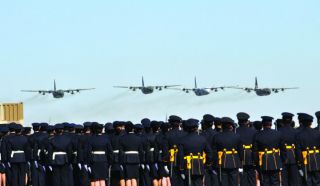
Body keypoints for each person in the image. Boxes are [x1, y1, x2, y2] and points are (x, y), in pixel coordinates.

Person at [177, 118, 213, 186]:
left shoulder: (182, 140)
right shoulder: (202, 139)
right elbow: (209, 153)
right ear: (196, 127)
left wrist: (181, 169)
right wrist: (206, 164)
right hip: (199, 165)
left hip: (187, 166)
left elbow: (180, 156)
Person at [253, 116, 285, 186]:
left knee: (264, 182)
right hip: (275, 161)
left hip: (263, 161)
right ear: (271, 124)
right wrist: (282, 161)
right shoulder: (278, 134)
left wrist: (256, 163)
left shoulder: (257, 135)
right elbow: (283, 149)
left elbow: (255, 151)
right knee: (275, 182)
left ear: (262, 124)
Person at [212, 117, 242, 186]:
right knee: (234, 183)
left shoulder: (217, 136)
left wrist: (215, 165)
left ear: (222, 125)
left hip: (222, 162)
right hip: (234, 162)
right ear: (230, 126)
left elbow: (214, 152)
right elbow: (240, 151)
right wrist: (240, 163)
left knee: (223, 183)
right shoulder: (237, 136)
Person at [295, 113, 320, 185]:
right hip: (317, 159)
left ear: (302, 122)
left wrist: (299, 162)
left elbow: (298, 151)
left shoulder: (299, 135)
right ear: (311, 122)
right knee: (317, 180)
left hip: (305, 160)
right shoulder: (317, 133)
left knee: (307, 180)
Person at [119, 122, 144, 186]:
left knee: (128, 178)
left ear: (126, 129)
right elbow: (141, 152)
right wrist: (141, 161)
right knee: (134, 178)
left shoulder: (122, 138)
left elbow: (121, 152)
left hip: (127, 159)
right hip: (136, 159)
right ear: (133, 129)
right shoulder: (138, 138)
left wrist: (121, 162)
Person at [278, 112, 300, 186]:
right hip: (293, 157)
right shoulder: (296, 132)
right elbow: (298, 147)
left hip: (282, 157)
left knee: (284, 180)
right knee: (294, 180)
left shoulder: (278, 131)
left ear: (282, 120)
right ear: (291, 121)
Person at [236, 112, 257, 186]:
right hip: (251, 156)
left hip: (240, 156)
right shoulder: (253, 131)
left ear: (238, 121)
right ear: (247, 121)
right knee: (252, 177)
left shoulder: (235, 131)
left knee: (243, 178)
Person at [166, 115, 185, 186]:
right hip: (182, 159)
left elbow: (165, 149)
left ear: (170, 123)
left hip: (172, 159)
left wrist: (166, 162)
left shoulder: (167, 134)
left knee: (173, 180)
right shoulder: (184, 134)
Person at [200, 114, 219, 186]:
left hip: (205, 160)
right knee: (215, 179)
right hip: (215, 160)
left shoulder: (202, 135)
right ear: (212, 123)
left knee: (207, 180)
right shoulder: (216, 134)